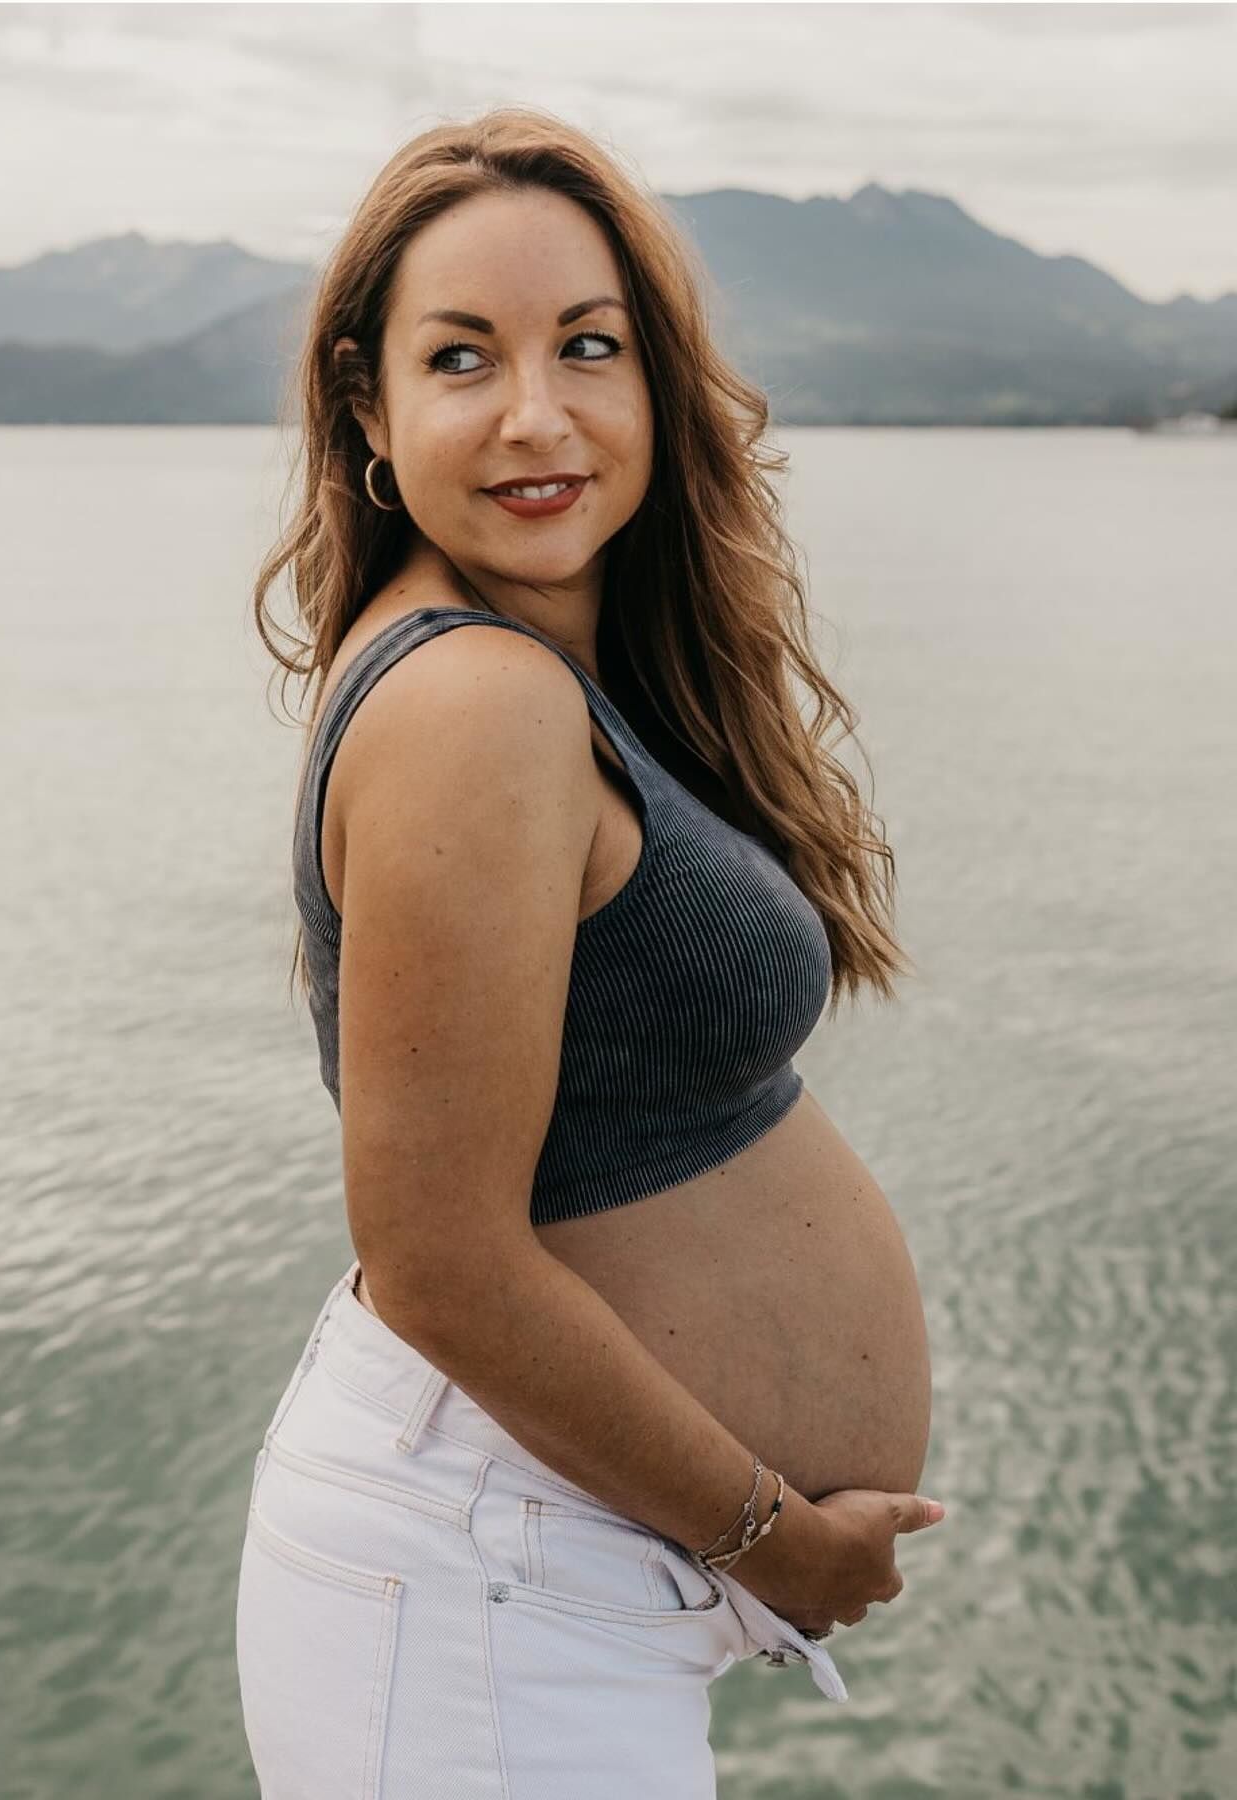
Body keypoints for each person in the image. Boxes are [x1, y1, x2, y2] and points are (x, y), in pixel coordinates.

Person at [236, 105, 947, 1799]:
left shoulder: (534, 670)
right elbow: (437, 1260)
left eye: (590, 348)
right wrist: (766, 1532)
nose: (538, 416)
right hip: (481, 1575)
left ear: (656, 383)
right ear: (368, 406)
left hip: (514, 1559)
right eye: (464, 358)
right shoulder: (473, 700)